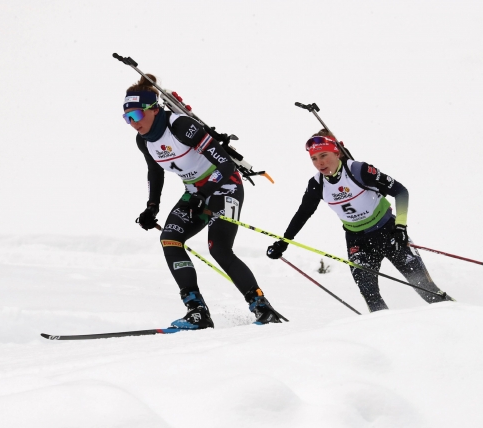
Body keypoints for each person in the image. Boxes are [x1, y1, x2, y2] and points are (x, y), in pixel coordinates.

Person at [123, 73, 286, 328]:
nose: (133, 123)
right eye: (127, 118)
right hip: (195, 191)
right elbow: (155, 171)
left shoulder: (180, 126)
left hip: (226, 185)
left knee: (219, 248)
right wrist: (151, 207)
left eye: (136, 115)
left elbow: (226, 164)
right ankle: (197, 311)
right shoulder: (142, 140)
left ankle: (262, 308)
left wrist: (202, 194)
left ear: (153, 109)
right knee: (169, 239)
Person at [266, 130, 452, 312]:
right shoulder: (317, 184)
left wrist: (401, 226)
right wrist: (284, 242)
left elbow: (401, 191)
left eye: (323, 155)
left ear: (336, 152)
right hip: (358, 242)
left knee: (428, 292)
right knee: (372, 299)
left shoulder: (358, 170)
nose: (319, 162)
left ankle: (462, 319)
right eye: (314, 158)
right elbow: (303, 214)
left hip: (389, 232)